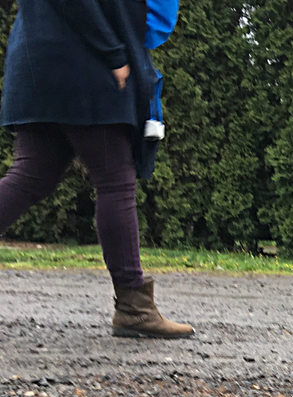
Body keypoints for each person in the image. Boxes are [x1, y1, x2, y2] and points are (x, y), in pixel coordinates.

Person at [0, 0, 193, 339]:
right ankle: (135, 308)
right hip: (84, 63)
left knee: (32, 175)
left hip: (38, 60)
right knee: (116, 181)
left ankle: (135, 307)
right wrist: (114, 54)